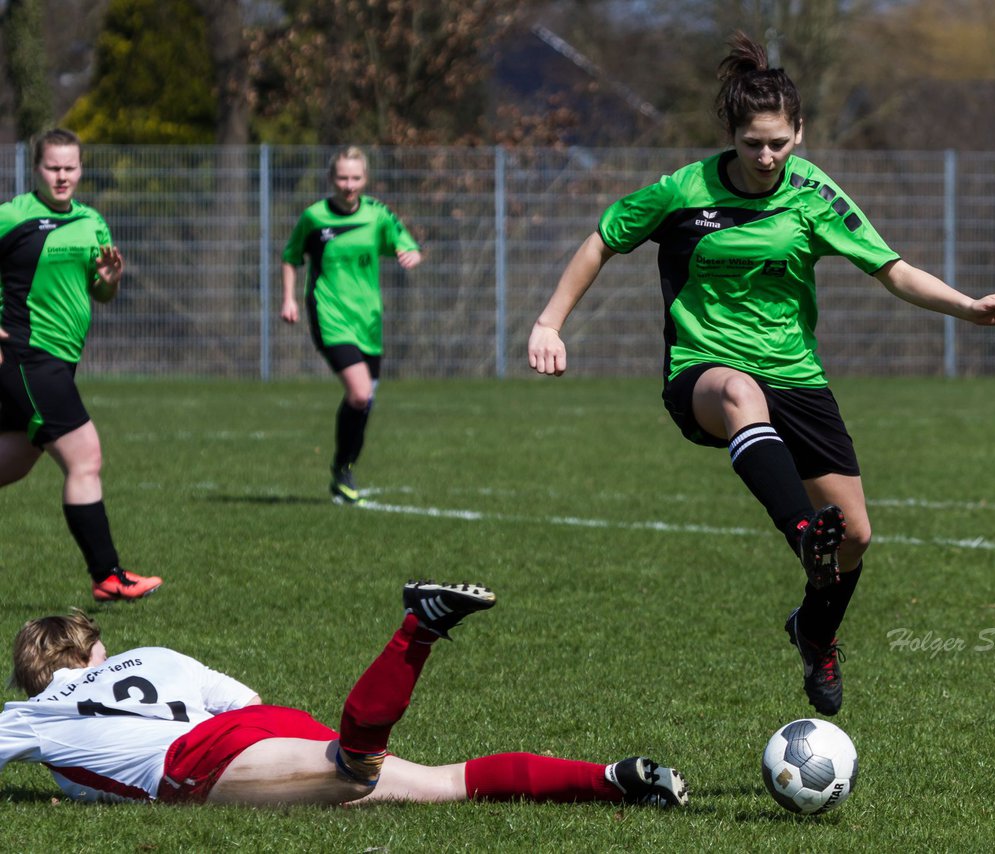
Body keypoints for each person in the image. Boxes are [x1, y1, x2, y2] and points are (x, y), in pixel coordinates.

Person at [527, 33, 995, 717]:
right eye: (753, 143)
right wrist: (550, 322)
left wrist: (970, 307)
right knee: (740, 395)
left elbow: (892, 268)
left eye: (779, 144)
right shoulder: (684, 191)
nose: (766, 158)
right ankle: (800, 537)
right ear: (731, 136)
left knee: (855, 537)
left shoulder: (815, 192)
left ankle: (814, 632)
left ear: (800, 133)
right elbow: (603, 238)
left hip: (795, 375)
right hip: (703, 371)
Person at [1, 580, 689, 808]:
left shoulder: (33, 714)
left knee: (353, 771)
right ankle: (613, 779)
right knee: (441, 787)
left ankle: (418, 629)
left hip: (192, 762)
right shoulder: (154, 655)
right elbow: (243, 701)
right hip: (262, 728)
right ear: (90, 651)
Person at [0, 128, 161, 602]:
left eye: (70, 167)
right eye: (53, 167)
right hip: (27, 355)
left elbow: (100, 291)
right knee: (85, 456)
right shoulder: (13, 216)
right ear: (37, 169)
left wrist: (109, 279)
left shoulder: (92, 221)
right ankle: (108, 574)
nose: (62, 176)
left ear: (81, 169)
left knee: (18, 460)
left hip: (59, 359)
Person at [280, 146, 422, 505]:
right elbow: (290, 256)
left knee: (364, 400)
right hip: (329, 314)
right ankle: (343, 469)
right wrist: (289, 298)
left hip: (368, 319)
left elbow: (406, 244)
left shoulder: (378, 215)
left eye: (355, 177)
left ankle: (343, 469)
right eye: (342, 177)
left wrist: (412, 253)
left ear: (365, 179)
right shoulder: (314, 217)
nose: (348, 184)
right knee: (360, 393)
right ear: (332, 178)